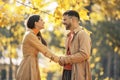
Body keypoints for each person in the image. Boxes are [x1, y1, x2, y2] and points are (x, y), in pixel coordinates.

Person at [16, 15, 60, 80]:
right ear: (35, 23)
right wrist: (58, 59)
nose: (44, 22)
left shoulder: (34, 35)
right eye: (41, 20)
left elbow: (44, 50)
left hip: (33, 64)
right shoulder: (29, 35)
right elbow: (44, 50)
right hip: (28, 66)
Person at [59, 10, 92, 80]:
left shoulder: (82, 34)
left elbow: (84, 54)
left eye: (65, 19)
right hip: (66, 72)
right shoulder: (68, 36)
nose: (63, 22)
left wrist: (66, 59)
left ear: (72, 20)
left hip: (77, 74)